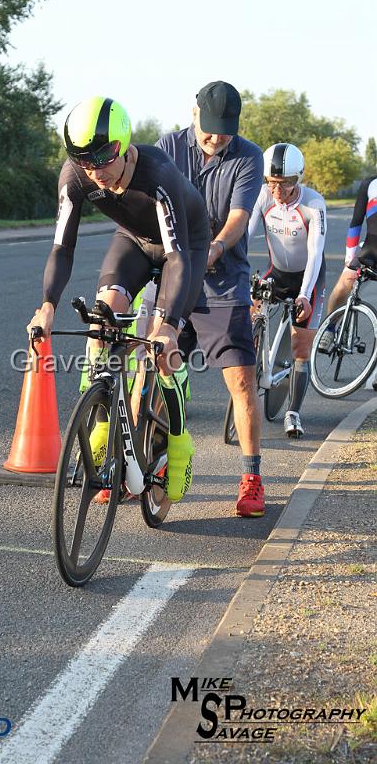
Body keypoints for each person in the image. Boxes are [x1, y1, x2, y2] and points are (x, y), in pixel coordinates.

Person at [27, 96, 210, 502]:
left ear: (124, 145)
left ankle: (179, 443)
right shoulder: (77, 177)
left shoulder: (157, 173)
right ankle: (105, 421)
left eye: (104, 159)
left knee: (164, 349)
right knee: (101, 320)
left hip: (185, 248)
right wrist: (47, 306)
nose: (96, 172)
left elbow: (178, 256)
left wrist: (165, 328)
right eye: (84, 161)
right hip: (134, 242)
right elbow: (62, 248)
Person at [157, 81, 265, 518]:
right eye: (210, 128)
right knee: (155, 370)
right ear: (194, 113)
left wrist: (215, 250)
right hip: (173, 275)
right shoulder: (169, 146)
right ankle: (144, 466)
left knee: (240, 380)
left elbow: (238, 217)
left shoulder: (248, 155)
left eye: (226, 130)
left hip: (222, 280)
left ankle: (252, 476)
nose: (216, 137)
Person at [249, 143, 327, 437]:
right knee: (247, 313)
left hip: (308, 279)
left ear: (299, 179)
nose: (278, 191)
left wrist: (305, 294)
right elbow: (244, 235)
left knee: (300, 348)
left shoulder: (313, 204)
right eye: (272, 183)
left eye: (285, 184)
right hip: (277, 273)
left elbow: (316, 253)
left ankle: (292, 412)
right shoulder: (263, 197)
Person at [318, 175, 377, 352]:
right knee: (344, 284)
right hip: (371, 249)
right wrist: (349, 258)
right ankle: (329, 328)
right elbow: (356, 223)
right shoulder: (370, 183)